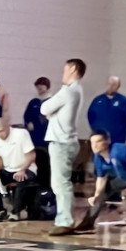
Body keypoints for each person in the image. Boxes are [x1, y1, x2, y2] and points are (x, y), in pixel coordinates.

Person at [42, 58, 85, 235]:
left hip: (61, 142)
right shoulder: (77, 91)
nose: (63, 72)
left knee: (61, 184)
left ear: (73, 69)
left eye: (65, 69)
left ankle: (65, 220)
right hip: (67, 140)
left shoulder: (68, 91)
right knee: (61, 183)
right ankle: (64, 218)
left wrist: (52, 114)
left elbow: (44, 109)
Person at [0, 118, 37, 221]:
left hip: (26, 168)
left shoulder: (21, 134)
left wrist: (22, 170)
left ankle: (16, 211)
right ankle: (0, 209)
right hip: (8, 169)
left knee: (21, 179)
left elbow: (31, 155)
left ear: (8, 127)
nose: (0, 135)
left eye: (2, 131)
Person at [87, 77, 126, 149]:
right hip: (100, 141)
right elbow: (90, 116)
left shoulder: (124, 101)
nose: (111, 86)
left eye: (114, 85)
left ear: (118, 86)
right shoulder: (97, 100)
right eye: (109, 84)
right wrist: (95, 132)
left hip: (118, 141)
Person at [24, 77, 52, 149]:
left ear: (47, 87)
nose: (40, 86)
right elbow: (27, 115)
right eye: (38, 85)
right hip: (35, 135)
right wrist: (28, 122)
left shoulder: (52, 101)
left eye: (42, 84)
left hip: (48, 135)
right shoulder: (34, 102)